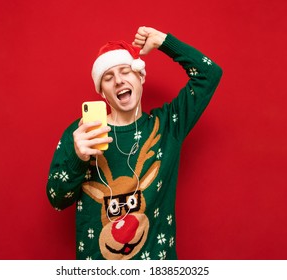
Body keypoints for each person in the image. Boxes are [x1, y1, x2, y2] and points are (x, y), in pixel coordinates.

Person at [46, 26, 222, 260]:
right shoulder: (81, 134)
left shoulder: (168, 126)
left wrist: (164, 42)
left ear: (141, 77)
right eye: (108, 78)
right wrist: (78, 159)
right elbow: (57, 200)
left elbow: (209, 74)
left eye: (126, 72)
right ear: (102, 93)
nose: (118, 80)